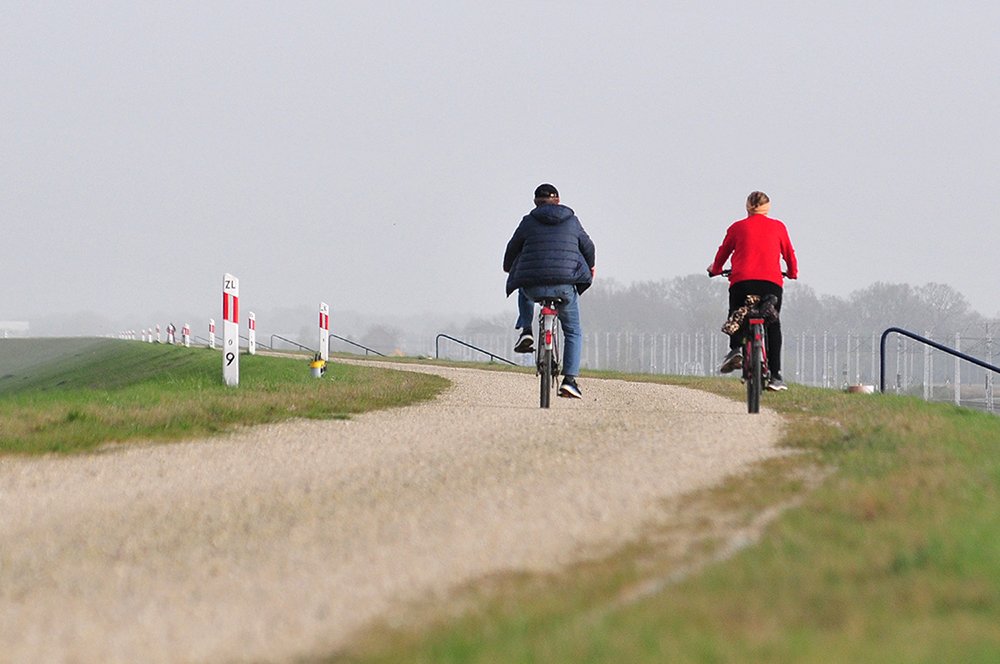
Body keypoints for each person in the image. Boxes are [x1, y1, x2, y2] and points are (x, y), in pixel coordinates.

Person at [503, 183, 596, 399]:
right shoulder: (572, 220)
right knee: (572, 331)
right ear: (559, 200)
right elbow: (588, 247)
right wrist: (590, 267)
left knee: (522, 283)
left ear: (536, 202)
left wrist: (509, 267)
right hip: (564, 286)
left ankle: (526, 330)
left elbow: (512, 249)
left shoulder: (528, 222)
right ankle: (570, 381)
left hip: (534, 287)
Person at [707, 191, 798, 391]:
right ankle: (775, 375)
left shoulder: (737, 227)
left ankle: (736, 348)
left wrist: (715, 270)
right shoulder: (778, 227)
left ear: (747, 207)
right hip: (771, 284)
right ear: (768, 207)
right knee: (773, 325)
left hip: (742, 282)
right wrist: (792, 273)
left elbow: (723, 252)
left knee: (736, 313)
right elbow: (789, 254)